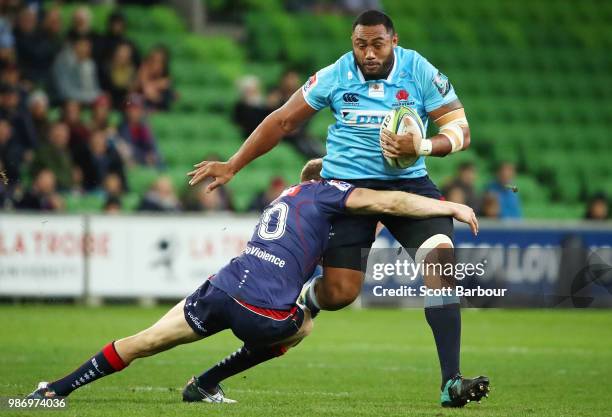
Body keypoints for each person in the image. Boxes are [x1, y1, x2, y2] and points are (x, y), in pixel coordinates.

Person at [187, 10, 488, 407]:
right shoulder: (335, 75)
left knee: (440, 264)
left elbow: (460, 128)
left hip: (409, 186)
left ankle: (451, 383)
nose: (368, 53)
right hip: (346, 191)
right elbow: (281, 122)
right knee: (342, 292)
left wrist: (423, 146)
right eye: (360, 44)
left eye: (377, 44)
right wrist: (233, 164)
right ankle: (309, 300)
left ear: (393, 41)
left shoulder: (418, 70)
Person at [28, 158, 478, 403]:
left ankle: (55, 389)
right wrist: (448, 207)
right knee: (303, 325)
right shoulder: (334, 196)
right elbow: (394, 203)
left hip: (224, 284)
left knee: (144, 340)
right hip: (260, 311)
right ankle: (207, 382)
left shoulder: (293, 193)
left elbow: (318, 198)